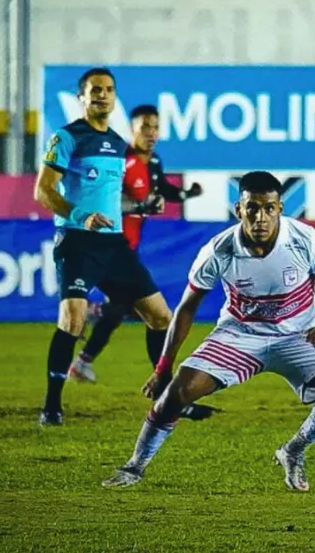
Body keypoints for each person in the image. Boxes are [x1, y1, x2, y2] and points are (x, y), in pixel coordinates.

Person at [101, 171, 315, 491]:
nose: (260, 217)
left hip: (298, 334)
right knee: (178, 392)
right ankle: (134, 466)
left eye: (268, 208)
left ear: (280, 208)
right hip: (240, 335)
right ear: (239, 209)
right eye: (252, 208)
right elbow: (187, 308)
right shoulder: (219, 250)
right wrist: (162, 369)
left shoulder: (305, 239)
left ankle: (294, 450)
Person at [34, 67, 175, 426]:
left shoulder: (117, 144)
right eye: (95, 90)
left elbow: (117, 199)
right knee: (73, 320)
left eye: (109, 90)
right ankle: (52, 406)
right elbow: (43, 191)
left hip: (114, 245)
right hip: (77, 241)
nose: (102, 95)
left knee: (161, 316)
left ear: (114, 97)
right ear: (81, 97)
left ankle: (166, 397)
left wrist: (145, 206)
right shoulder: (67, 137)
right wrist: (80, 215)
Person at [68, 105, 212, 421]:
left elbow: (162, 191)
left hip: (126, 249)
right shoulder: (120, 159)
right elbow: (106, 198)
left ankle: (88, 344)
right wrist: (139, 205)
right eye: (145, 126)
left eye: (155, 127)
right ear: (132, 129)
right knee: (151, 313)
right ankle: (165, 393)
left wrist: (185, 194)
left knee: (137, 310)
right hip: (107, 245)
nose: (151, 133)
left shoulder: (154, 162)